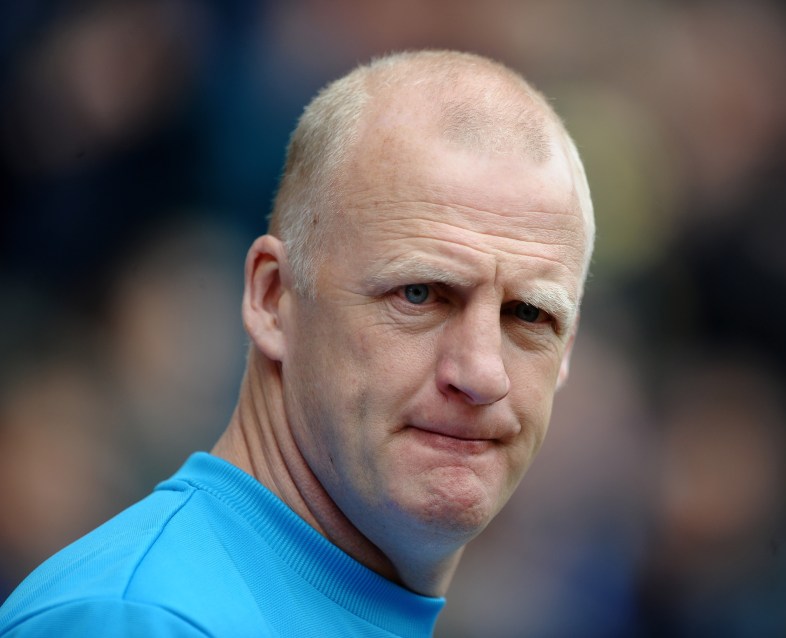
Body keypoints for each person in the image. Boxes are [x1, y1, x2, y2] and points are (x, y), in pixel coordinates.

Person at [0, 49, 595, 636]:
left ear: (566, 352)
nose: (483, 373)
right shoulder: (140, 620)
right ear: (272, 299)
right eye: (419, 293)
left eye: (529, 313)